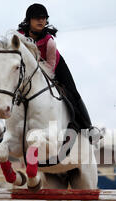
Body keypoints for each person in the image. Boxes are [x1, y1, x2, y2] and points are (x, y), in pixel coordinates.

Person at [17, 3, 103, 145]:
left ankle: (88, 127)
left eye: (44, 18)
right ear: (29, 20)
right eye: (37, 18)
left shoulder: (50, 42)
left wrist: (36, 73)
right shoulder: (19, 37)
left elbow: (50, 67)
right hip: (28, 71)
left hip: (54, 67)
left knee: (72, 91)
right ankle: (6, 131)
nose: (41, 21)